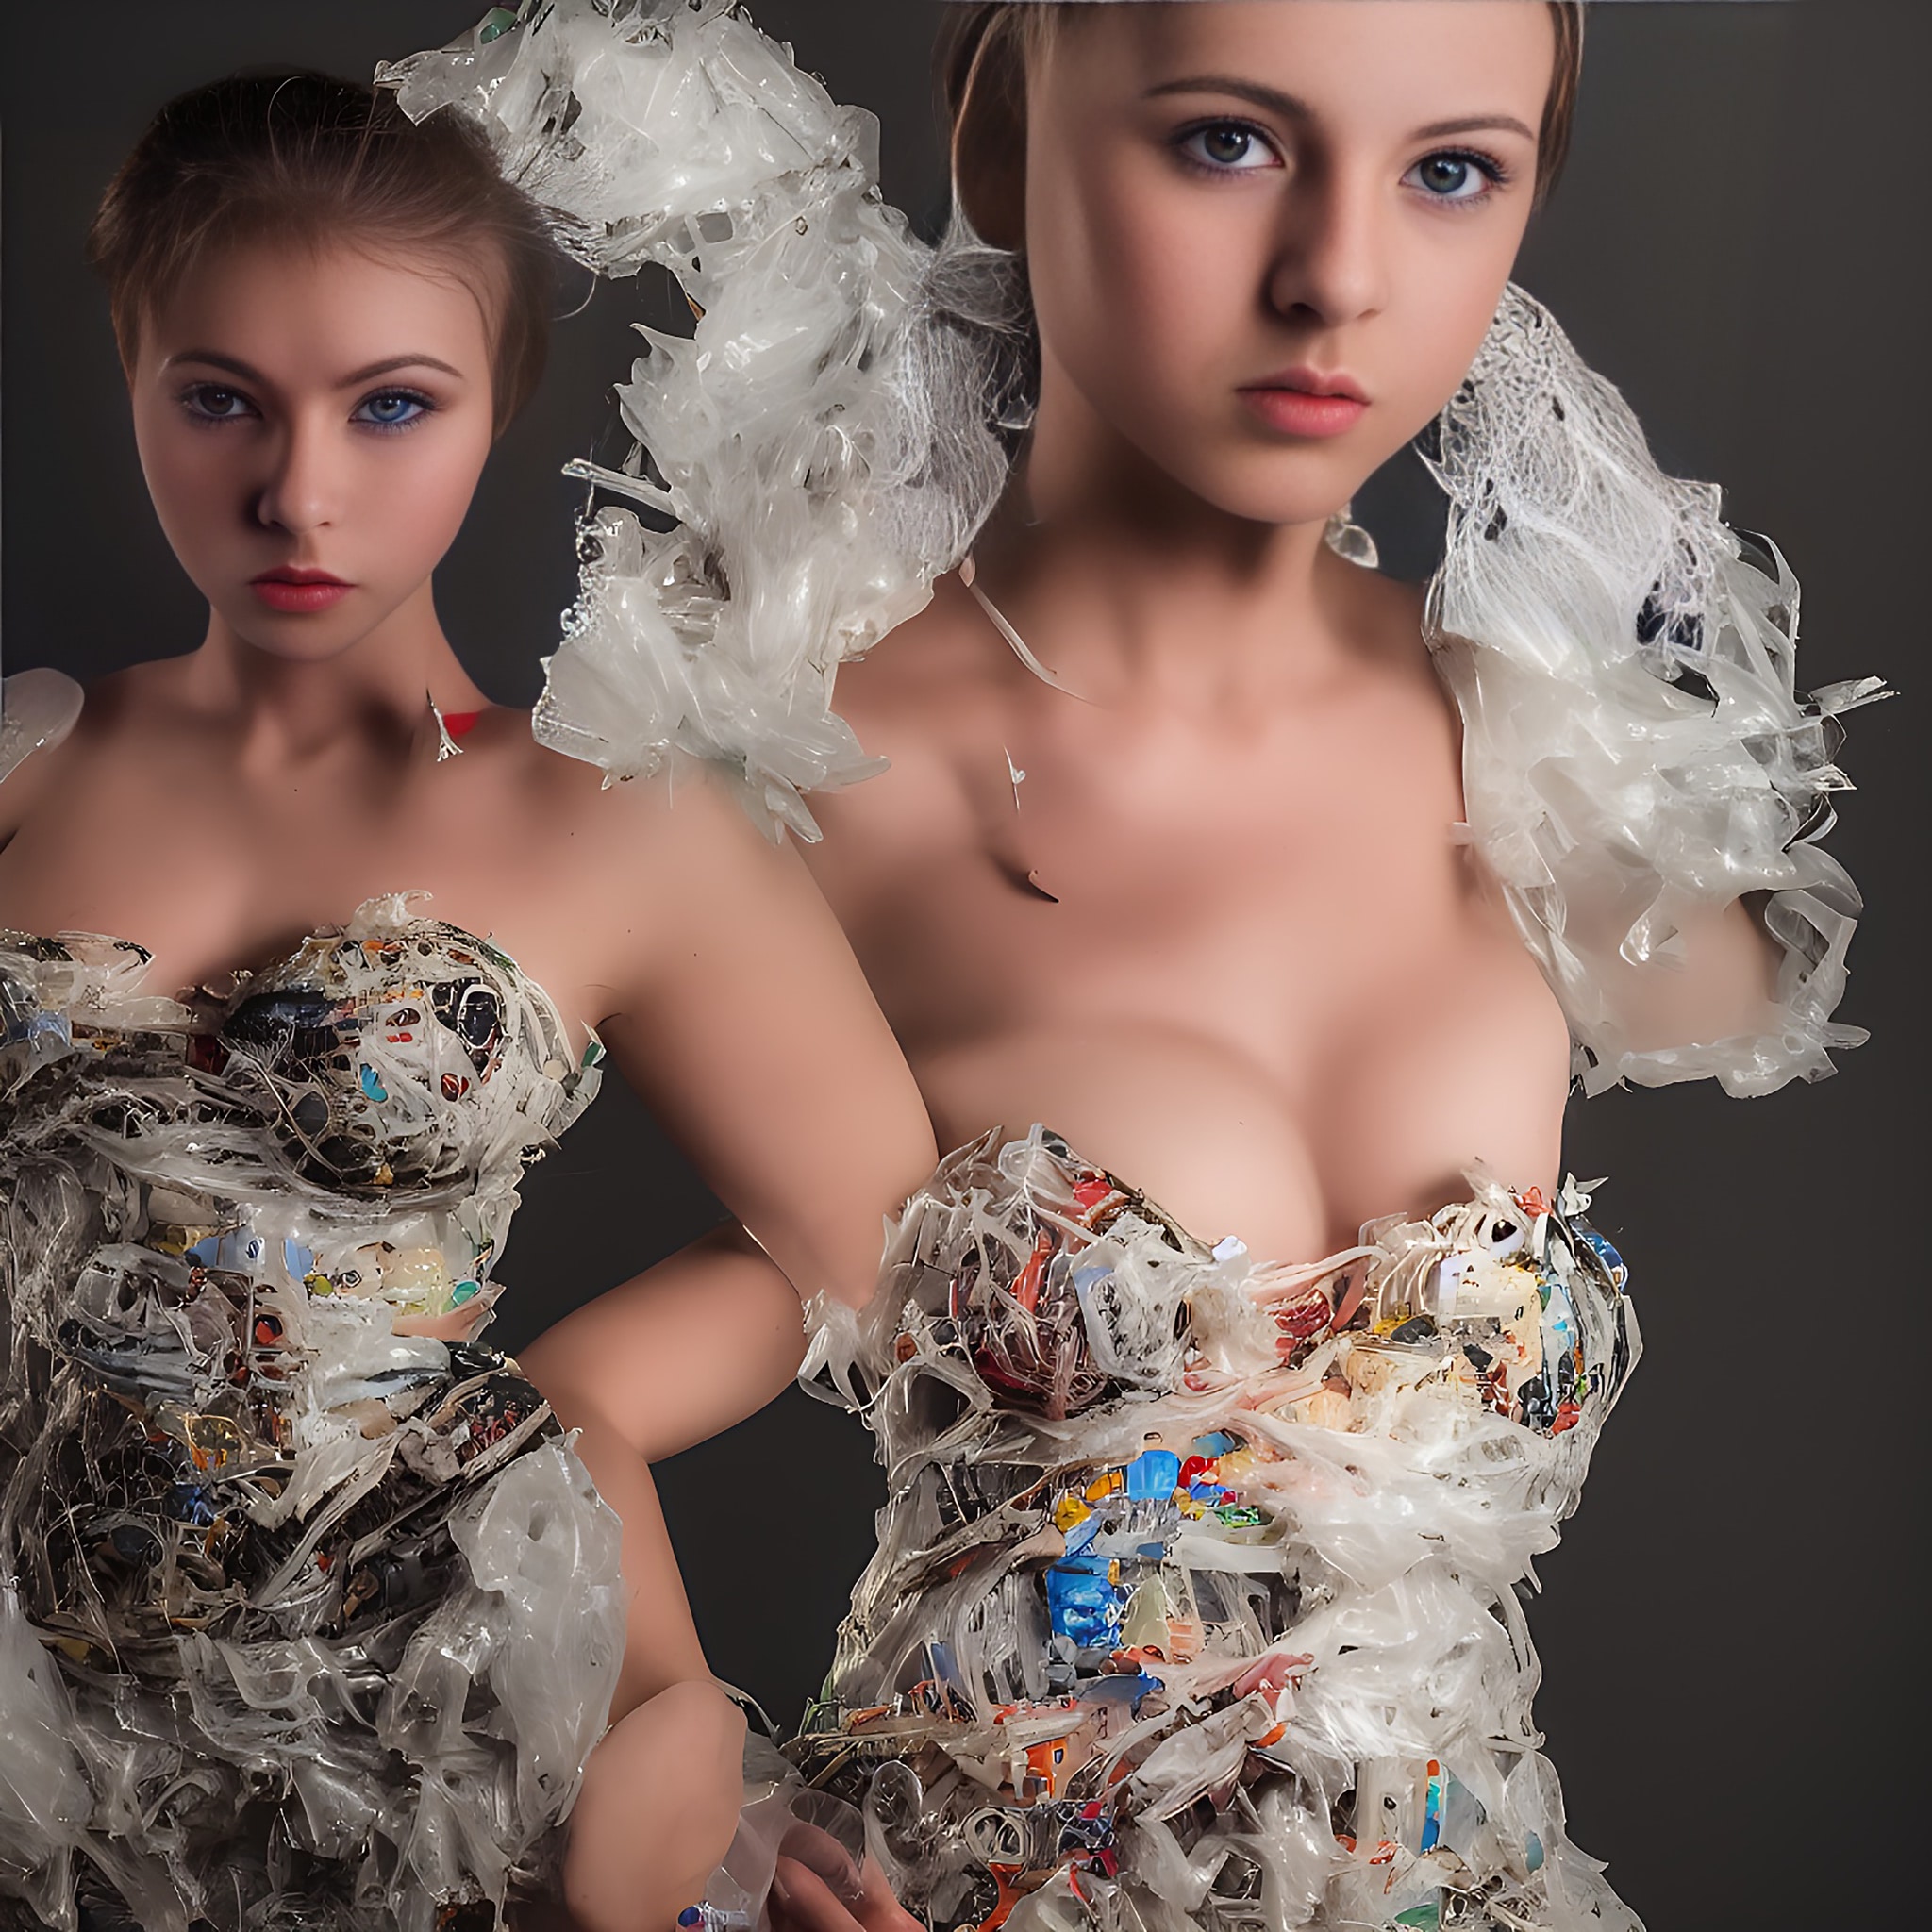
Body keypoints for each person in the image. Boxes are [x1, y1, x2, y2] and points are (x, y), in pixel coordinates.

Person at [506, 2, 1879, 1928]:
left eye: (1451, 172)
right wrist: (691, 1801)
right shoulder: (789, 752)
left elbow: (1752, 996)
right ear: (1002, 135)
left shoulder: (1554, 764)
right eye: (1228, 142)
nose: (1336, 277)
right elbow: (502, 1380)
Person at [0, 67, 938, 1932]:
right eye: (220, 403)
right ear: (133, 377)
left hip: (448, 1757)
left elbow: (876, 1244)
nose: (299, 491)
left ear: (499, 408)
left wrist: (585, 1401)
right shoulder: (27, 756)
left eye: (393, 406)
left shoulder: (616, 819)